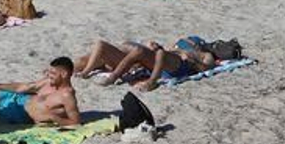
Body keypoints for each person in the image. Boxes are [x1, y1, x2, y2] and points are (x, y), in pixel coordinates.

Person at [80, 39, 220, 90]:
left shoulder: (206, 55)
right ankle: (88, 72)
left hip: (180, 66)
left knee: (157, 53)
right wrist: (155, 46)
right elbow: (167, 49)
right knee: (132, 47)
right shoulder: (184, 42)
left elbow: (204, 69)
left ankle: (151, 82)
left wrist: (191, 59)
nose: (194, 43)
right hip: (162, 61)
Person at [0, 57, 81, 126]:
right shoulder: (47, 82)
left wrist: (53, 118)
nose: (49, 75)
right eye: (49, 72)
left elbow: (75, 122)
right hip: (17, 98)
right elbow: (23, 87)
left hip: (19, 114)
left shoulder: (66, 95)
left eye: (53, 73)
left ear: (64, 74)